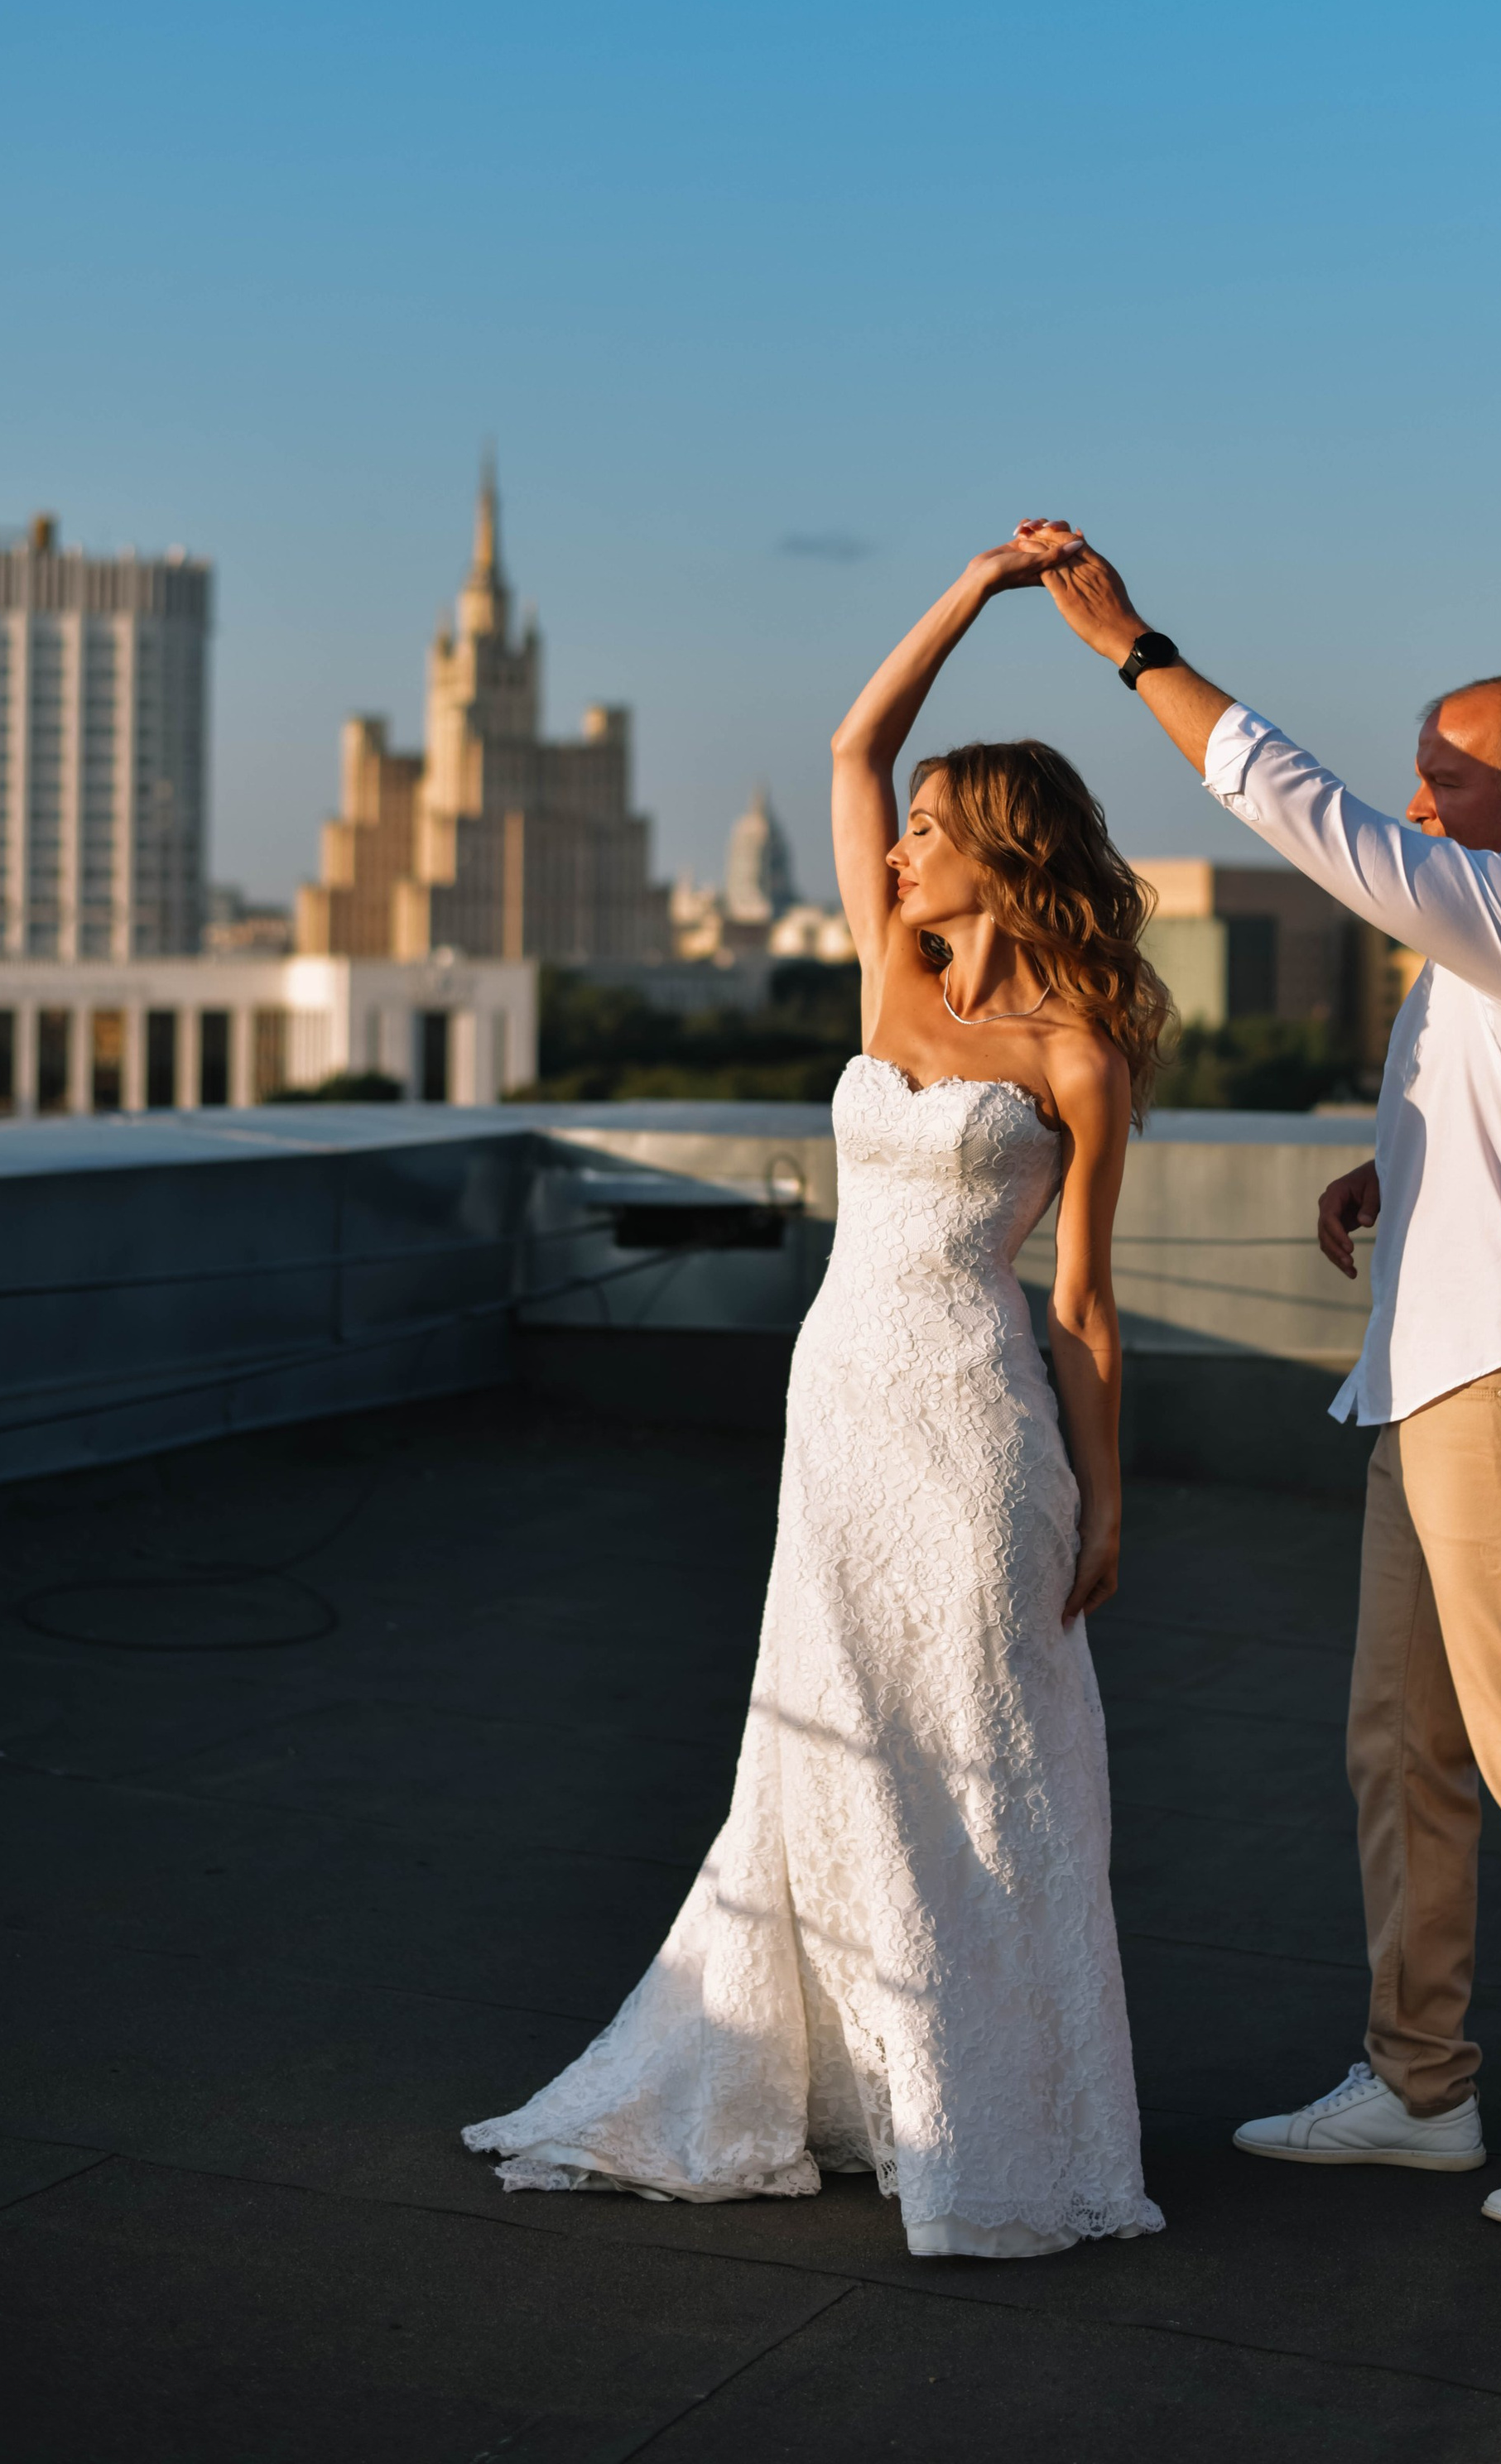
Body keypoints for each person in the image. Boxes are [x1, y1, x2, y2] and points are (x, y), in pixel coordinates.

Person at [466, 535, 1169, 2260]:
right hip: (842, 1407)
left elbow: (1082, 1303)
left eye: (933, 830)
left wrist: (1107, 1500)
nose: (903, 847)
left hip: (978, 1432)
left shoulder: (1077, 1055)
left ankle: (990, 2115)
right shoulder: (889, 980)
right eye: (905, 831)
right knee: (827, 1742)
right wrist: (975, 590)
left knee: (980, 1758)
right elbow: (856, 746)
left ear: (1000, 851)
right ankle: (863, 2087)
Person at [1019, 520, 1501, 2237]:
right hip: (1428, 1386)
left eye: (1444, 775)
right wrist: (1391, 1175)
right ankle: (1421, 2088)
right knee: (1400, 1750)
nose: (1415, 801)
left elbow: (1306, 815)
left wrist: (1133, 648)